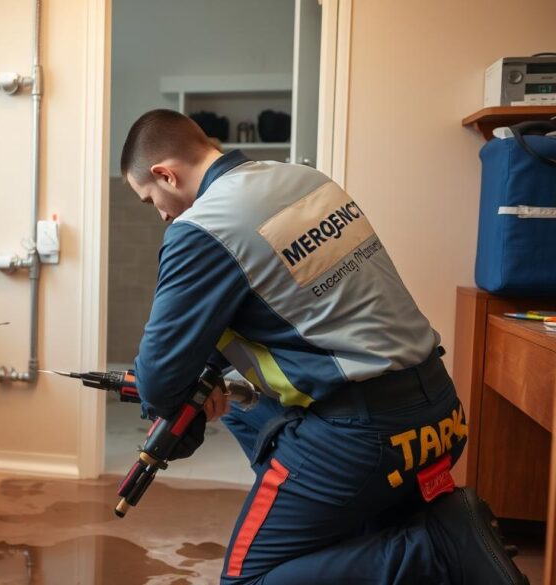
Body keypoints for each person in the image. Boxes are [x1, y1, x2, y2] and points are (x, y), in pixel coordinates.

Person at [120, 109, 527, 584]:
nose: (164, 214)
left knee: (248, 579)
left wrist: (166, 395)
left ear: (165, 173)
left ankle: (438, 549)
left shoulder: (202, 228)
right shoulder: (306, 180)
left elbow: (159, 382)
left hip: (364, 438)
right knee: (244, 410)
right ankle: (417, 536)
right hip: (440, 413)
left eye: (153, 200)